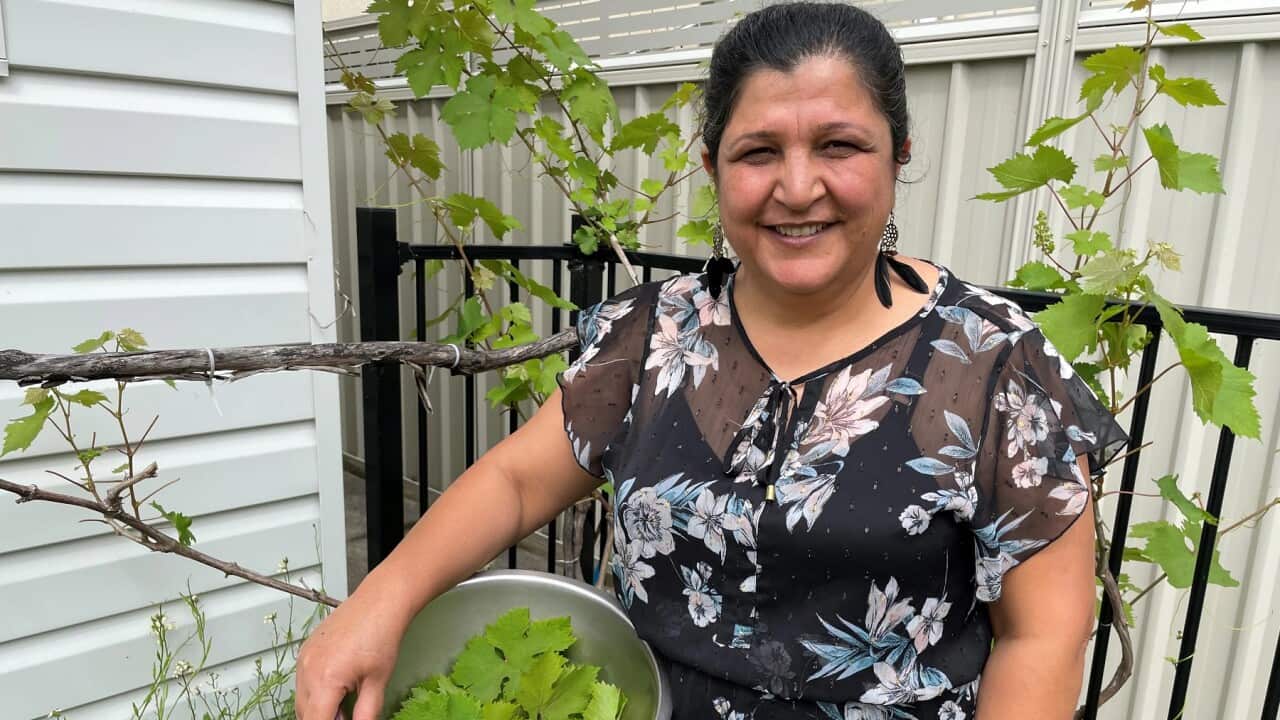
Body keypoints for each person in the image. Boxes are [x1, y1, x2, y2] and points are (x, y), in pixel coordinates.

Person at [296, 3, 1128, 719]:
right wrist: (377, 603)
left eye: (839, 145)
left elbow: (1043, 632)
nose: (798, 187)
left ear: (898, 155)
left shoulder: (991, 363)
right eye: (758, 152)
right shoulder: (656, 336)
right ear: (712, 167)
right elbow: (517, 481)